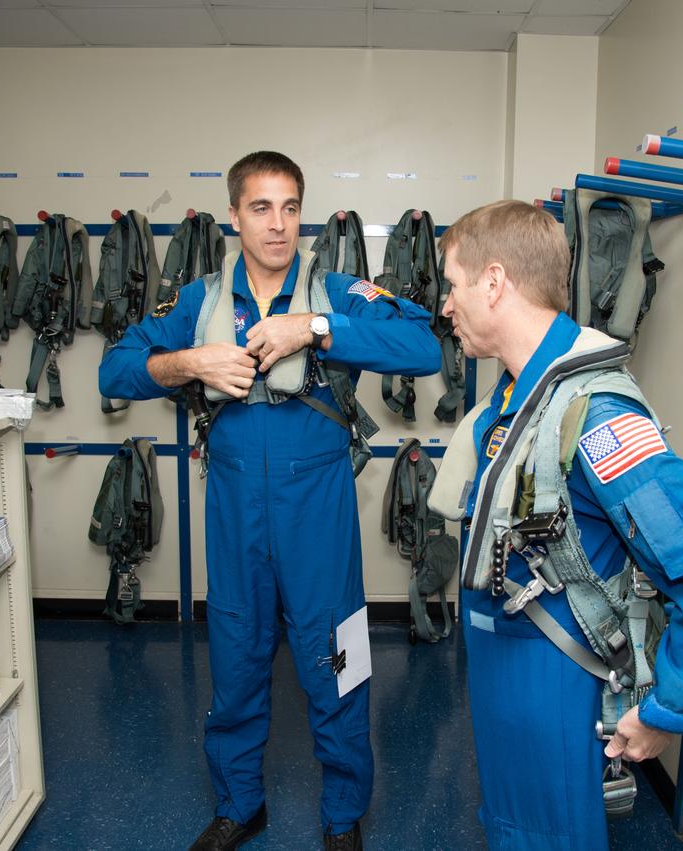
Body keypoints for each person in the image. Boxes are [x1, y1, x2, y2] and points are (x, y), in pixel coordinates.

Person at [98, 151, 440, 851]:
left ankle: (343, 815)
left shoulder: (339, 292)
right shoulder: (199, 301)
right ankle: (238, 804)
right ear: (235, 216)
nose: (277, 225)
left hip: (316, 513)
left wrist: (314, 328)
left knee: (338, 660)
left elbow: (423, 347)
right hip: (232, 512)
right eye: (261, 207)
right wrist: (189, 361)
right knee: (235, 656)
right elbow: (116, 367)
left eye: (289, 207)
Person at [432, 200, 683, 850]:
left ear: (493, 281)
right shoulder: (511, 401)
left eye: (452, 285)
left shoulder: (593, 416)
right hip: (503, 673)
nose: (446, 305)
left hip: (551, 676)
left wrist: (668, 706)